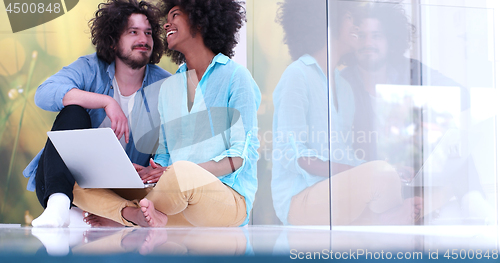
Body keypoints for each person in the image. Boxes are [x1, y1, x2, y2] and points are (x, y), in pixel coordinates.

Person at [78, 0, 260, 227]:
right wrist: (150, 171)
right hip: (176, 200)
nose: (166, 24)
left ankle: (123, 216)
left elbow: (238, 157)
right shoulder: (169, 88)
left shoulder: (236, 77)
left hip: (226, 200)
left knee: (182, 172)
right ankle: (139, 216)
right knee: (81, 181)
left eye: (175, 15)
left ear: (200, 21)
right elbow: (165, 153)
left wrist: (173, 171)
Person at [271, 0, 422, 225]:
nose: (357, 26)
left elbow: (344, 154)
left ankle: (382, 219)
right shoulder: (297, 75)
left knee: (392, 179)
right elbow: (293, 154)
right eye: (350, 18)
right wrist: (366, 171)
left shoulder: (344, 87)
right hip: (299, 199)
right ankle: (382, 220)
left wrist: (384, 170)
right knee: (382, 176)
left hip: (335, 192)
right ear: (328, 21)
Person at [24, 0, 171, 227]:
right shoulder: (90, 68)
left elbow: (176, 142)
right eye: (133, 32)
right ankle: (60, 205)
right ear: (113, 41)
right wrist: (106, 101)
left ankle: (111, 214)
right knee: (73, 111)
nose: (143, 40)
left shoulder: (165, 85)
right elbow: (44, 93)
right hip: (71, 182)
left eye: (148, 33)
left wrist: (154, 167)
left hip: (123, 188)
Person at [341, 2, 492, 222]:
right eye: (361, 36)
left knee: (446, 125)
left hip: (416, 165)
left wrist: (418, 108)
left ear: (389, 40)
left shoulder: (408, 69)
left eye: (376, 36)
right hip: (372, 173)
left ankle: (471, 198)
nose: (368, 43)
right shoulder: (343, 82)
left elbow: (461, 95)